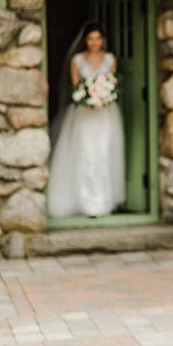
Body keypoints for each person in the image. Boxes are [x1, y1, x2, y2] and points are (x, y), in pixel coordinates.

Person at [47, 21, 126, 218]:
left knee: (103, 154)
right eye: (91, 39)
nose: (94, 42)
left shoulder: (110, 59)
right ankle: (83, 201)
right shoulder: (77, 60)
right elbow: (76, 87)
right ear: (85, 40)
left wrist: (104, 97)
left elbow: (112, 83)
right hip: (83, 115)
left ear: (103, 40)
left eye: (98, 38)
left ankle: (102, 202)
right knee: (84, 154)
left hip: (105, 114)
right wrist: (87, 98)